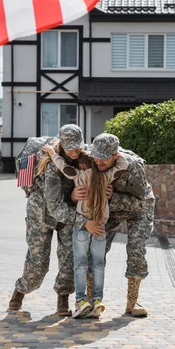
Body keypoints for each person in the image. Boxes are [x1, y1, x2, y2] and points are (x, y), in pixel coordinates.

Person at [41, 135, 128, 318]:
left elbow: (61, 165)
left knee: (79, 265)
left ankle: (81, 301)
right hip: (100, 227)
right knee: (98, 265)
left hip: (82, 227)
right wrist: (117, 155)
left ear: (80, 166)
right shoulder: (106, 177)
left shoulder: (78, 176)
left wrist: (50, 151)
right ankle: (97, 300)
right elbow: (123, 165)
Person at [72, 134, 155, 317]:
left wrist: (113, 196)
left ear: (115, 155)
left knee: (136, 250)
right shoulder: (91, 162)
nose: (99, 161)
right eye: (97, 156)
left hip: (137, 209)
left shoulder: (133, 167)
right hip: (107, 211)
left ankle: (133, 303)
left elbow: (141, 200)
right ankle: (93, 302)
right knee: (95, 252)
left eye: (104, 157)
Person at [8, 124, 86, 316]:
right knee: (38, 264)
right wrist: (82, 220)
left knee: (69, 260)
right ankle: (21, 290)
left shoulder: (84, 158)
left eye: (78, 146)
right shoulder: (50, 165)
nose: (74, 151)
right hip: (41, 214)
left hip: (68, 212)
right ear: (62, 145)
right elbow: (53, 206)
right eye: (70, 147)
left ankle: (63, 299)